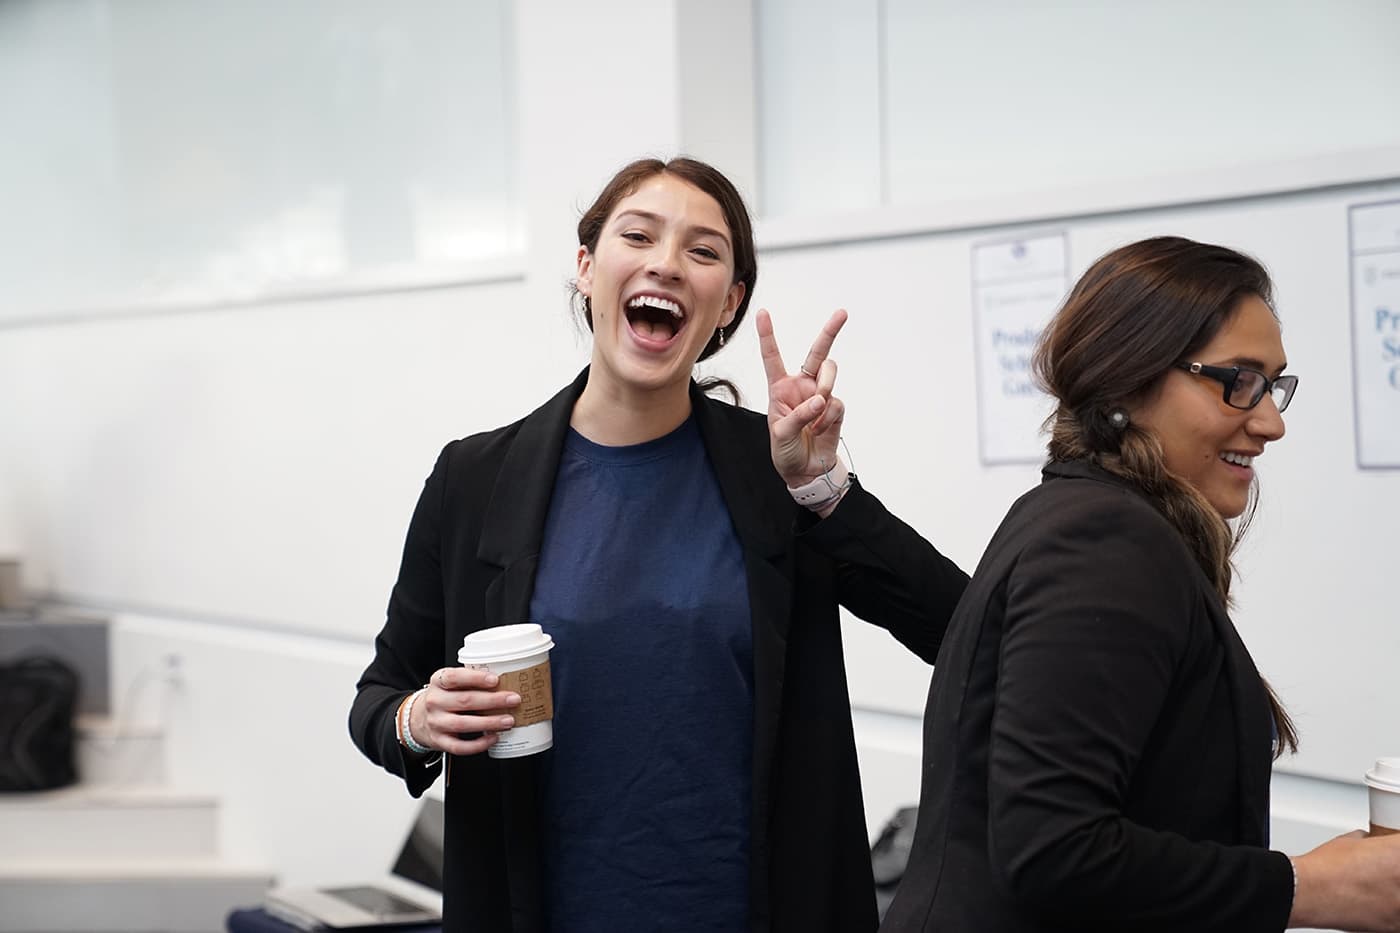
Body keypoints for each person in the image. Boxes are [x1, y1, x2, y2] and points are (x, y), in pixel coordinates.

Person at [348, 156, 968, 933]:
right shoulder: (475, 479)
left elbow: (962, 627)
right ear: (587, 267)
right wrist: (418, 718)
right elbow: (380, 696)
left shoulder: (774, 473)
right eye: (638, 236)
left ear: (729, 301)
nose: (667, 263)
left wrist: (822, 488)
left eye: (703, 251)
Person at [879, 236, 1400, 933]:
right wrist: (1313, 886)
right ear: (1129, 379)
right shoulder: (1104, 541)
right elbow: (1054, 849)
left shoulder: (1085, 515)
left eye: (1274, 385)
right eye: (1239, 380)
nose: (1271, 421)